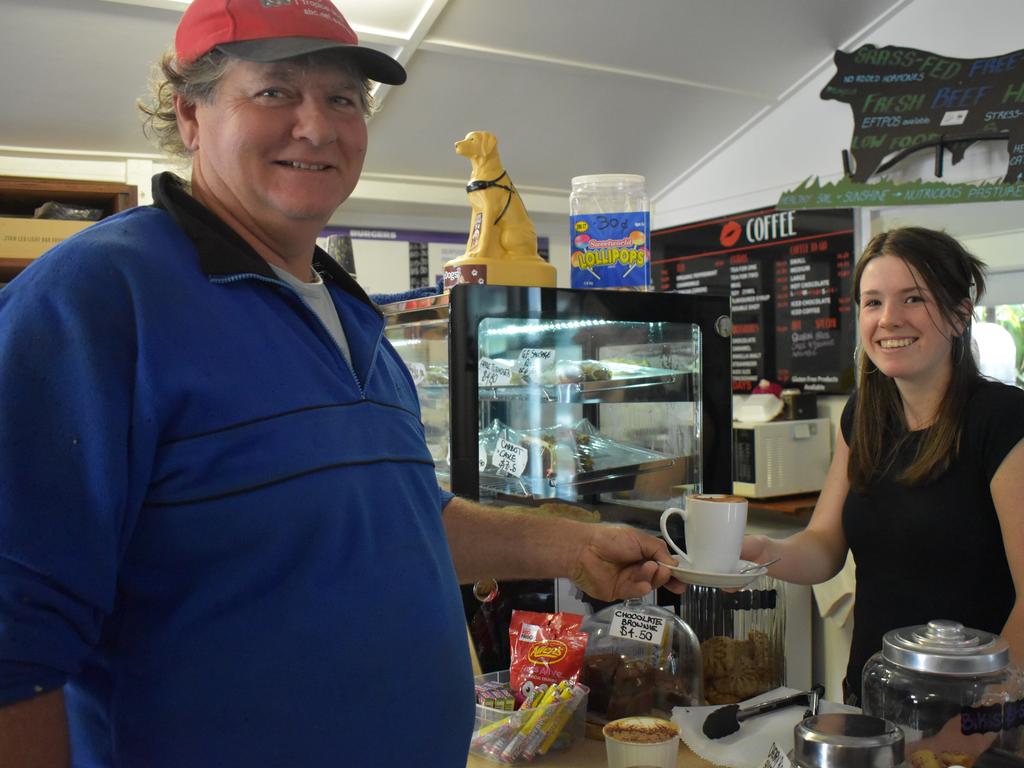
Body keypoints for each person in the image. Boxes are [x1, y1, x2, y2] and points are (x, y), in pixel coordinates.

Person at [0, 1, 683, 765]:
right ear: (190, 114)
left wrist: (568, 547)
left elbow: (392, 520)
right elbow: (11, 632)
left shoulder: (349, 314)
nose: (318, 127)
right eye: (275, 93)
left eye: (343, 99)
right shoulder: (93, 298)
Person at [742, 226, 1024, 709]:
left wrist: (984, 718)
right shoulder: (864, 416)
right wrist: (750, 551)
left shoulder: (1002, 419)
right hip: (874, 696)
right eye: (873, 303)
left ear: (959, 316)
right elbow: (824, 546)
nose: (889, 319)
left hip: (978, 711)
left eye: (912, 298)